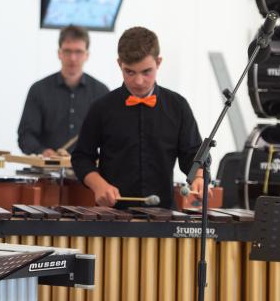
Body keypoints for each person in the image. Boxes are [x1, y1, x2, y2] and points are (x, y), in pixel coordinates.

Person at [71, 26, 204, 208]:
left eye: (146, 71)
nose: (138, 81)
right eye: (130, 72)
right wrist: (98, 185)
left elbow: (193, 155)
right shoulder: (101, 108)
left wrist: (198, 177)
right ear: (120, 64)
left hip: (163, 215)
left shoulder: (178, 106)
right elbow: (81, 158)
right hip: (113, 216)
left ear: (158, 62)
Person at [18, 25, 109, 157]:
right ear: (59, 53)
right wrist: (42, 151)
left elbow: (110, 137)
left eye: (78, 52)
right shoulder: (38, 90)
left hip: (87, 173)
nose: (73, 58)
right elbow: (26, 136)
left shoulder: (101, 92)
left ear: (87, 55)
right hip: (46, 172)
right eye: (67, 51)